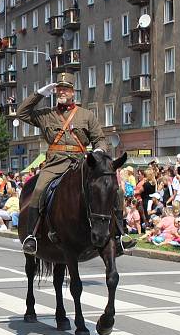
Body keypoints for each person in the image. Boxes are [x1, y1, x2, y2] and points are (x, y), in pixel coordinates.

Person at [15, 72, 121, 254]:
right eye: (59, 89)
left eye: (66, 89)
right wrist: (40, 93)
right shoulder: (46, 115)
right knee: (39, 190)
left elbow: (100, 139)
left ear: (73, 92)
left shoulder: (86, 115)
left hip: (80, 163)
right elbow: (21, 113)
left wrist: (98, 151)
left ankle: (119, 234)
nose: (62, 92)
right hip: (55, 163)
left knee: (114, 189)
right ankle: (32, 236)